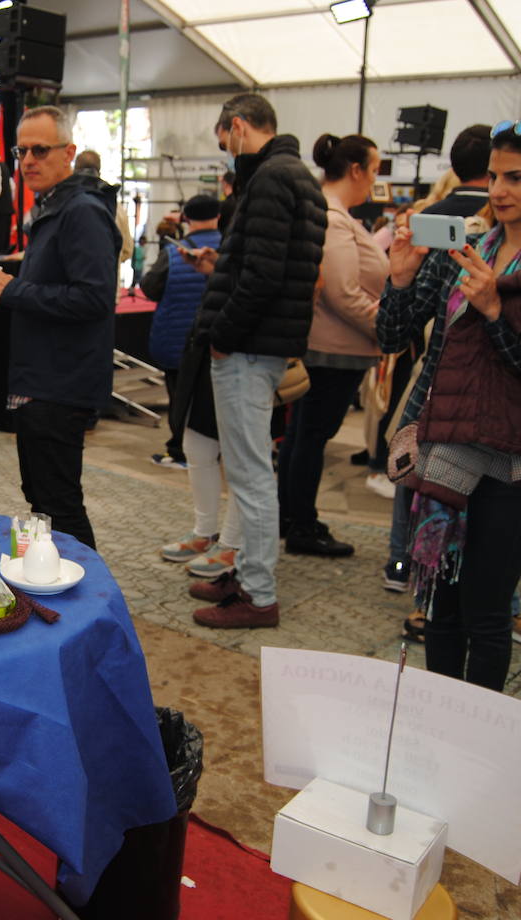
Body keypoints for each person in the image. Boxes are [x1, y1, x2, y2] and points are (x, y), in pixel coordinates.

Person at [378, 116, 521, 691]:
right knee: (441, 613)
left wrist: (497, 312)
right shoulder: (467, 246)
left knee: (487, 612)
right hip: (446, 453)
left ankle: (475, 733)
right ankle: (435, 720)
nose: (499, 190)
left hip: (516, 462)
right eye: (495, 176)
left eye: (517, 177)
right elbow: (391, 336)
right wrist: (399, 280)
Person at [185, 92, 327, 630]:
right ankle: (245, 574)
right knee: (251, 470)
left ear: (238, 125)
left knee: (249, 476)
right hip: (266, 342)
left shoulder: (270, 178)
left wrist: (222, 334)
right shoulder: (297, 176)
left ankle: (259, 593)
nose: (226, 152)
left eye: (225, 140)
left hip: (248, 345)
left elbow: (262, 275)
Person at [0, 105, 121, 549]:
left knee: (58, 504)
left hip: (60, 382)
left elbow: (94, 298)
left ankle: (94, 605)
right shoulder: (58, 207)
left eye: (41, 149)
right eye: (22, 151)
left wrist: (14, 291)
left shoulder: (82, 211)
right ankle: (64, 593)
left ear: (69, 152)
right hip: (44, 378)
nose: (29, 160)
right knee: (43, 499)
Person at [279, 133, 386, 557]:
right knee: (309, 436)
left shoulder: (335, 214)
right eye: (375, 170)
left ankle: (292, 516)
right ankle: (300, 521)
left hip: (331, 344)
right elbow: (342, 291)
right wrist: (388, 325)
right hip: (335, 347)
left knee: (302, 435)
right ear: (356, 170)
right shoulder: (335, 218)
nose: (375, 181)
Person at [142, 193, 223, 471]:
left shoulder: (174, 252)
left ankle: (179, 449)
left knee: (180, 397)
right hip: (218, 340)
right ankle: (216, 450)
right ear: (219, 216)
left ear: (187, 218)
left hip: (177, 338)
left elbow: (150, 287)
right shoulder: (229, 250)